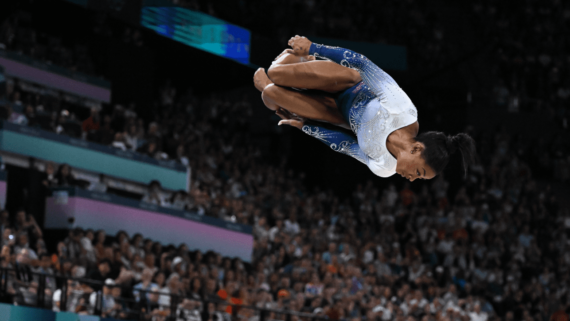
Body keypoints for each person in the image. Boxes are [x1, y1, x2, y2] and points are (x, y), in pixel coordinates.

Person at [253, 36, 476, 181]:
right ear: (416, 149)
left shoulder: (385, 167)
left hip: (337, 113)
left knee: (270, 96)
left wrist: (305, 126)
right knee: (274, 73)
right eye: (418, 172)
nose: (411, 179)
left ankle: (297, 73)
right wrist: (313, 47)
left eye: (418, 178)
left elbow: (346, 145)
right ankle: (303, 59)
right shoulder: (403, 111)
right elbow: (362, 63)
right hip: (350, 83)